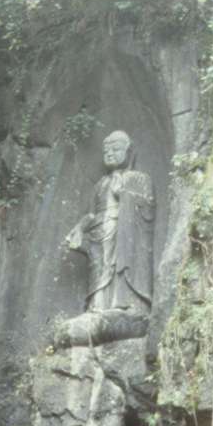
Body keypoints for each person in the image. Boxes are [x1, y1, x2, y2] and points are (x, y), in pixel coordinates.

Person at [66, 131, 154, 313]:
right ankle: (97, 306)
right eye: (106, 151)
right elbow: (91, 214)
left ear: (129, 152)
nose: (110, 154)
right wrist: (79, 229)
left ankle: (123, 304)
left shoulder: (139, 178)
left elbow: (149, 207)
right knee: (99, 269)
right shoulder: (101, 184)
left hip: (124, 232)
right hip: (100, 232)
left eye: (116, 149)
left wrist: (123, 195)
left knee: (119, 266)